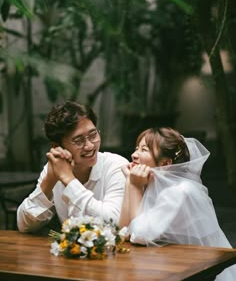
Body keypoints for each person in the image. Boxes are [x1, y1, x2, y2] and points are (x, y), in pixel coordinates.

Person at [119, 127, 236, 281]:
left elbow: (139, 235)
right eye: (136, 148)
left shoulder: (179, 192)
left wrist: (134, 186)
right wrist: (130, 183)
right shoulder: (151, 184)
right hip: (162, 267)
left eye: (144, 150)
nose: (134, 155)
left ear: (166, 163)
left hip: (194, 274)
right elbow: (122, 233)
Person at [17, 101, 128, 233]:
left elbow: (114, 224)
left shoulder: (116, 166)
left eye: (93, 135)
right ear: (56, 147)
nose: (90, 146)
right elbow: (24, 225)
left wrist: (69, 180)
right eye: (79, 140)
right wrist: (49, 180)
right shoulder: (56, 168)